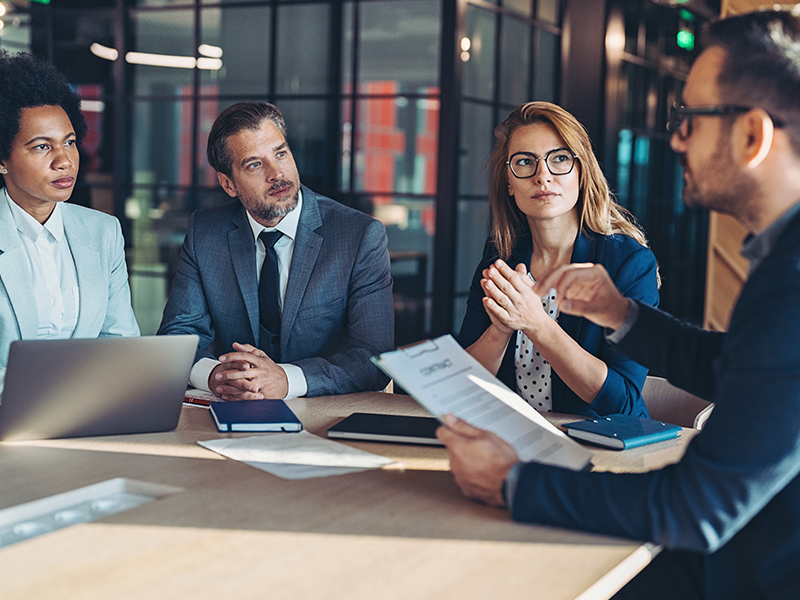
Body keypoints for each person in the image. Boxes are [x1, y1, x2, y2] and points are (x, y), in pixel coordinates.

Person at [438, 8, 800, 599]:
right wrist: (624, 317)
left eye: (691, 119)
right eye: (524, 164)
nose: (675, 138)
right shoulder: (781, 261)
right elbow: (731, 362)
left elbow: (696, 506)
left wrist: (512, 482)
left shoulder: (792, 279)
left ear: (753, 135)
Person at [158, 101, 394, 400]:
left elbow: (374, 357)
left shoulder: (359, 236)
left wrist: (286, 380)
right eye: (254, 164)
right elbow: (178, 336)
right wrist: (215, 375)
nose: (276, 173)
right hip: (235, 408)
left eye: (280, 154)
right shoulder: (206, 232)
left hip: (326, 413)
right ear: (228, 183)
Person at [459, 102, 659, 417]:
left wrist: (536, 323)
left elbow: (623, 403)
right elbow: (464, 387)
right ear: (509, 183)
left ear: (581, 173)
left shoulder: (629, 264)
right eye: (525, 162)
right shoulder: (500, 257)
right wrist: (500, 329)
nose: (543, 176)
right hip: (515, 440)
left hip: (602, 446)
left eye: (560, 159)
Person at [0, 51, 139, 385]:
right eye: (41, 147)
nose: (65, 161)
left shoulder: (103, 231)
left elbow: (120, 343)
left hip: (83, 414)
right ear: (2, 160)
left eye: (70, 142)